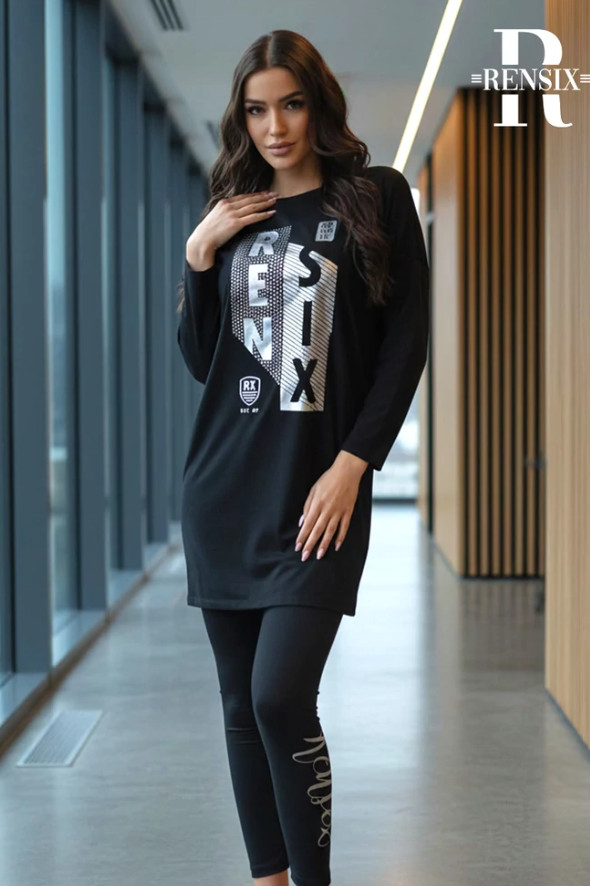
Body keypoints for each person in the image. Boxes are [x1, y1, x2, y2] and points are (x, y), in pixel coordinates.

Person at [176, 28, 429, 886]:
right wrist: (199, 257)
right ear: (241, 119)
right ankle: (269, 880)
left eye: (290, 104)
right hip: (224, 493)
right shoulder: (233, 212)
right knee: (241, 706)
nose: (275, 127)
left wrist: (355, 463)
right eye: (257, 110)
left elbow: (405, 346)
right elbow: (205, 363)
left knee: (279, 695)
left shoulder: (376, 198)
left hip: (320, 491)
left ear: (318, 105)